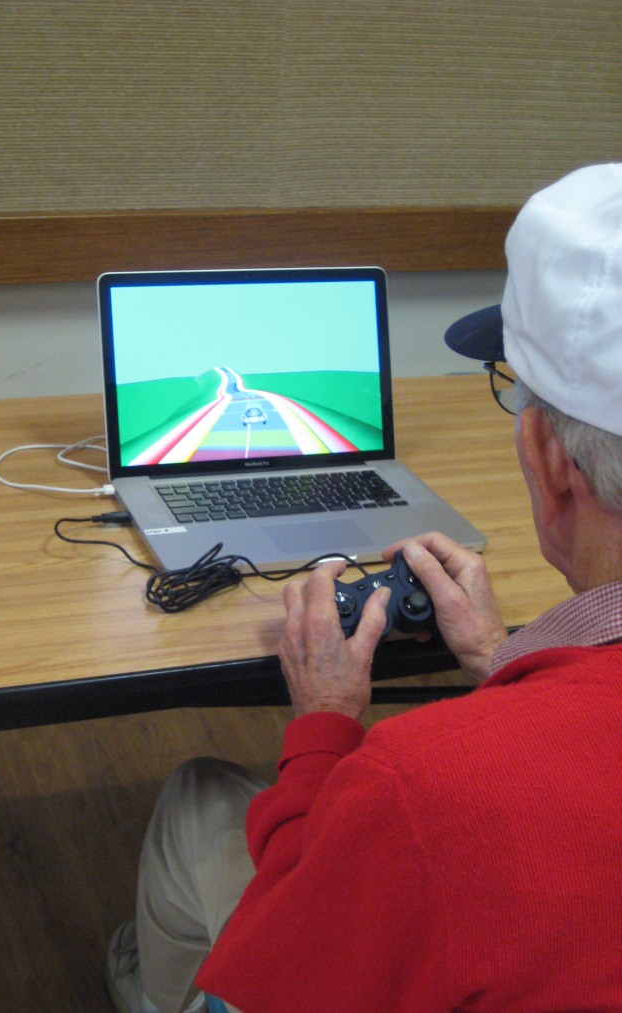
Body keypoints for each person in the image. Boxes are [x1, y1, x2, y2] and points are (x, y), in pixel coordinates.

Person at [106, 163, 622, 1013]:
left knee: (196, 799)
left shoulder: (423, 788)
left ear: (549, 458)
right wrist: (506, 662)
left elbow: (286, 978)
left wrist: (322, 726)